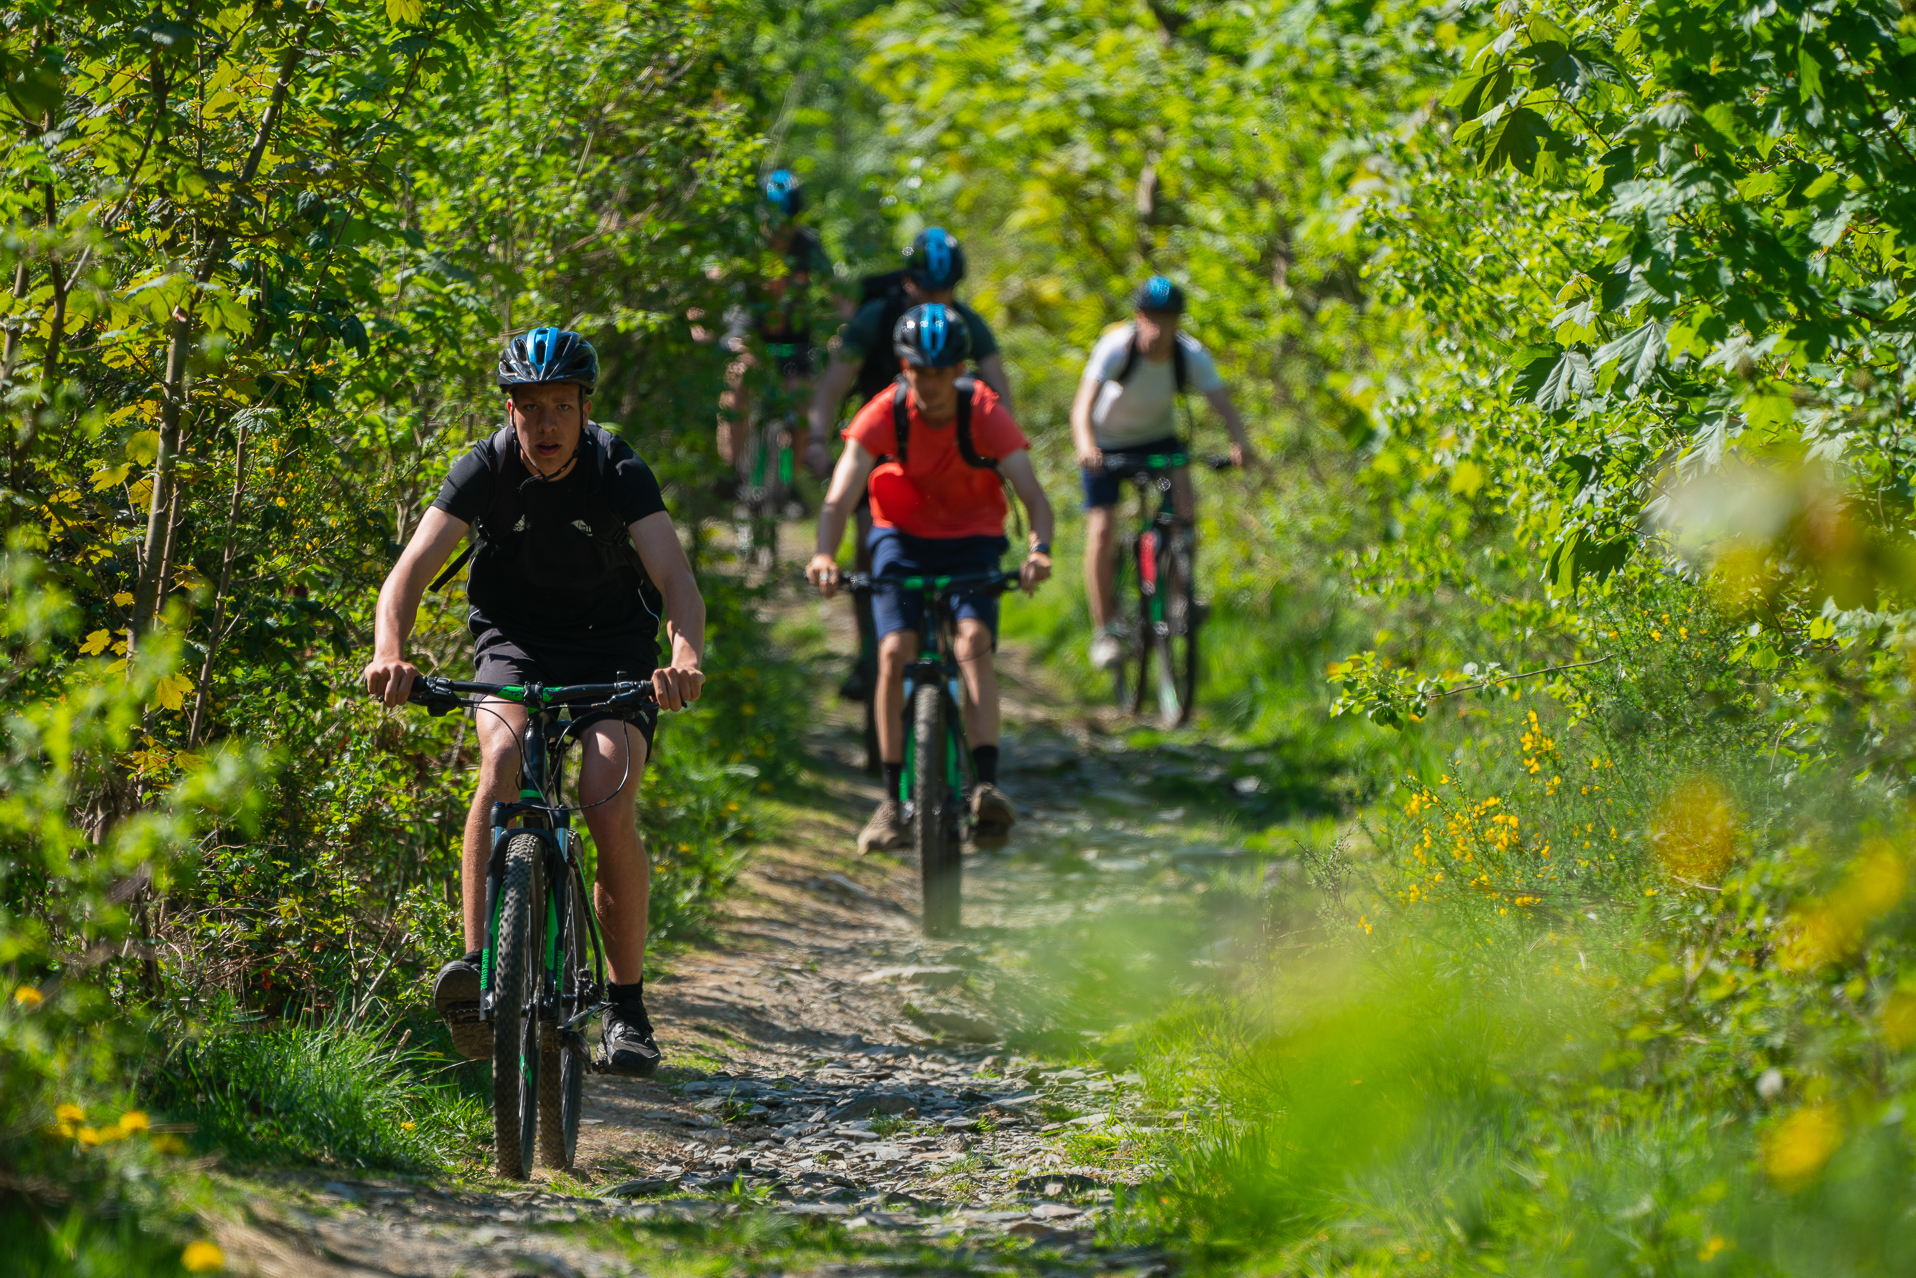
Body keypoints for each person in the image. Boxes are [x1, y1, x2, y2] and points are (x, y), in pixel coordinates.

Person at [363, 327, 706, 1079]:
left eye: (560, 407)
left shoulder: (618, 468)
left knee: (605, 791)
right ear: (509, 412)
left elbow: (677, 581)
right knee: (500, 756)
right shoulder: (482, 467)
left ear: (585, 409)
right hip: (513, 641)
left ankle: (626, 1006)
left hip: (612, 646)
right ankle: (481, 974)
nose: (545, 425)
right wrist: (391, 650)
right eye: (529, 408)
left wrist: (682, 659)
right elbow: (409, 573)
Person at [807, 304, 1055, 856]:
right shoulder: (883, 412)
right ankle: (894, 802)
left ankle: (986, 786)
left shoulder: (983, 411)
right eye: (922, 371)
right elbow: (839, 495)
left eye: (944, 372)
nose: (934, 385)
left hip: (973, 539)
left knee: (972, 644)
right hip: (901, 537)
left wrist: (1039, 551)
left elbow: (1033, 496)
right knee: (893, 651)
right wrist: (824, 554)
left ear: (960, 369)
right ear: (904, 367)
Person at [804, 227, 1009, 701]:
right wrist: (816, 438)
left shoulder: (964, 324)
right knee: (868, 553)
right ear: (908, 282)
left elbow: (999, 387)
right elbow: (834, 385)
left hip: (946, 449)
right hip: (881, 445)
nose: (939, 299)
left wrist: (1002, 447)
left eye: (947, 290)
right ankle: (868, 655)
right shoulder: (875, 318)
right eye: (929, 289)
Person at [1071, 276, 1254, 671]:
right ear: (1138, 317)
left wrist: (1240, 442)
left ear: (1178, 321)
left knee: (1184, 507)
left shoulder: (1190, 355)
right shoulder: (1116, 348)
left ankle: (1180, 593)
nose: (1159, 327)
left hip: (1158, 440)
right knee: (1102, 529)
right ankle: (1105, 631)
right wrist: (1087, 447)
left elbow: (1222, 403)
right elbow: (1082, 406)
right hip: (1106, 444)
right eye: (1152, 317)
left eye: (1168, 319)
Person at [715, 168, 834, 484]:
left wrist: (848, 322)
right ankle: (731, 470)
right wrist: (701, 314)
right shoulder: (747, 243)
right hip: (750, 328)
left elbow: (837, 291)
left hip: (795, 333)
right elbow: (715, 279)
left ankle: (789, 484)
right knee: (741, 377)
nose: (780, 231)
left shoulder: (808, 245)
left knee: (800, 403)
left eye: (788, 221)